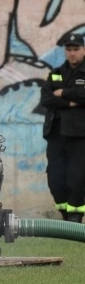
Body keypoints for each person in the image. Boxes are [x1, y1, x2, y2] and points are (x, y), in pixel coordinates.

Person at [40, 33, 85, 223]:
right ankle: (65, 215)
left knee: (77, 179)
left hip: (79, 135)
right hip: (56, 134)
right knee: (55, 180)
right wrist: (72, 102)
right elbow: (46, 99)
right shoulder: (56, 72)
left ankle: (75, 219)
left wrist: (63, 93)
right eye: (69, 49)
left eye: (76, 49)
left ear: (83, 49)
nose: (72, 53)